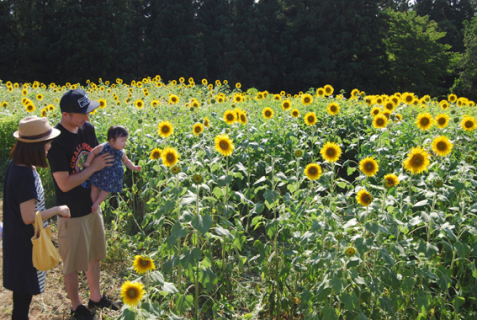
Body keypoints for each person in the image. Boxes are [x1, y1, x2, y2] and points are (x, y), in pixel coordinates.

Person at [47, 89, 119, 320]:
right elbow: (64, 184)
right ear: (65, 114)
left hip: (91, 206)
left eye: (88, 112)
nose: (87, 118)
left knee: (93, 255)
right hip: (71, 211)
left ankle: (95, 298)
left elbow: (100, 157)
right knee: (72, 263)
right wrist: (93, 169)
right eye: (81, 114)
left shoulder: (87, 129)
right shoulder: (56, 140)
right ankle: (76, 306)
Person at [3, 116, 71, 320]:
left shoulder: (16, 165)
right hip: (24, 246)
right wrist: (57, 209)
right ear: (35, 147)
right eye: (47, 143)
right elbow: (28, 217)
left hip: (17, 241)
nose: (50, 146)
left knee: (21, 298)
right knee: (22, 305)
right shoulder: (24, 176)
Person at [83, 125, 141, 213]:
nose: (124, 144)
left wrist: (134, 167)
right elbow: (93, 152)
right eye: (122, 141)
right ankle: (94, 203)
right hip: (100, 172)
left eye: (125, 141)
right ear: (112, 140)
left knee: (106, 190)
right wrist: (88, 162)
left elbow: (126, 161)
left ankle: (97, 203)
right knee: (94, 186)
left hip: (111, 176)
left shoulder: (122, 152)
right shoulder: (103, 147)